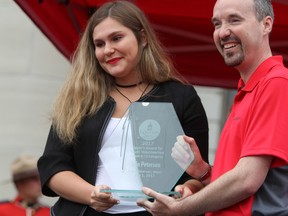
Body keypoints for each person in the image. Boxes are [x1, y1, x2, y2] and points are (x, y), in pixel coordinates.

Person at [37, 1, 209, 216]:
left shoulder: (181, 96)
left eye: (117, 38)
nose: (108, 50)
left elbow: (198, 173)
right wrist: (91, 194)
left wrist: (188, 189)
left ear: (143, 38)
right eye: (99, 44)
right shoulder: (79, 98)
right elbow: (53, 167)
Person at [137, 0, 288, 215]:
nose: (223, 32)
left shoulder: (277, 83)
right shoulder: (249, 90)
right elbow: (245, 181)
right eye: (217, 24)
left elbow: (247, 180)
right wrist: (204, 172)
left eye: (234, 20)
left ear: (266, 25)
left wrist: (180, 209)